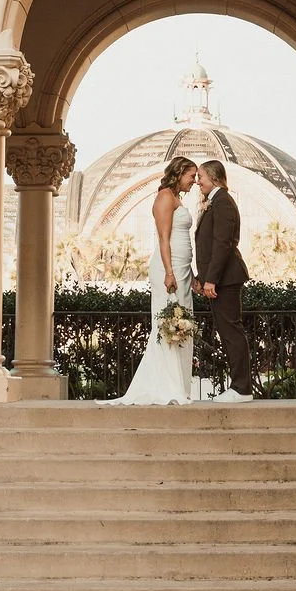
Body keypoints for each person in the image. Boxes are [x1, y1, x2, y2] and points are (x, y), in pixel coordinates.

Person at [111, 156, 199, 405]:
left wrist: (189, 274)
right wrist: (169, 272)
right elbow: (163, 238)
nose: (193, 181)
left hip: (181, 269)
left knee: (182, 324)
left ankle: (179, 385)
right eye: (191, 176)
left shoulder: (178, 199)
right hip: (167, 269)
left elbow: (183, 242)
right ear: (179, 173)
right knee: (168, 324)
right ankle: (166, 385)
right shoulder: (164, 197)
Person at [191, 159, 253, 401]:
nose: (198, 181)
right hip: (220, 279)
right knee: (227, 332)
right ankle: (239, 387)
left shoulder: (223, 202)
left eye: (201, 177)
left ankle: (241, 388)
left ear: (214, 178)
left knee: (231, 332)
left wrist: (211, 280)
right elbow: (210, 248)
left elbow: (223, 245)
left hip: (226, 279)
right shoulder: (216, 202)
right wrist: (202, 278)